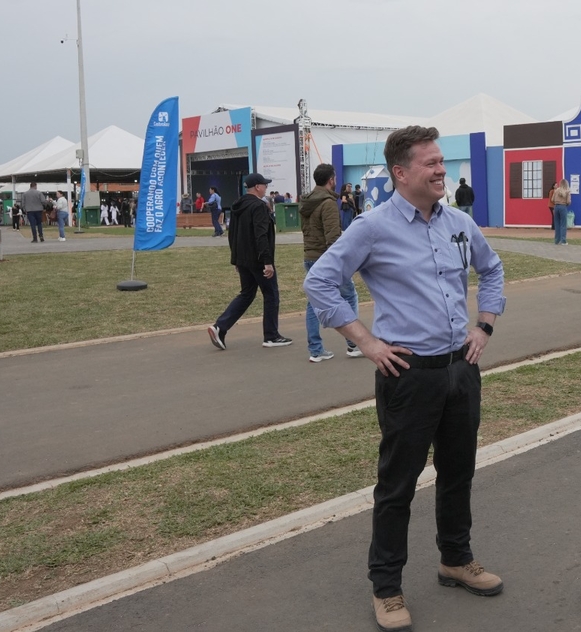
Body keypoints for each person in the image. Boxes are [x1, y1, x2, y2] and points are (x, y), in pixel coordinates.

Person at [304, 126, 506, 632]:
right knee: (398, 486)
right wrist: (366, 342)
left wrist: (484, 324)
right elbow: (320, 281)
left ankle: (455, 560)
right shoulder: (372, 228)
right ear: (401, 172)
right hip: (408, 375)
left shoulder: (458, 222)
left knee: (459, 472)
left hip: (461, 369)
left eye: (442, 162)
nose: (441, 170)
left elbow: (493, 269)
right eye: (431, 163)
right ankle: (387, 588)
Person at [208, 173, 292, 351]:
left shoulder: (237, 206)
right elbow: (260, 235)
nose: (266, 188)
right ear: (257, 187)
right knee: (271, 294)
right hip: (258, 259)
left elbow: (233, 234)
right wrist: (267, 262)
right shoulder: (258, 207)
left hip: (243, 259)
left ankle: (220, 327)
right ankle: (271, 335)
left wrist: (236, 259)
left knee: (247, 294)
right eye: (264, 185)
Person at [299, 163, 363, 361]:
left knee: (313, 303)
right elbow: (333, 239)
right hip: (325, 259)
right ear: (331, 180)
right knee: (349, 296)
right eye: (334, 178)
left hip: (310, 256)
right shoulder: (327, 203)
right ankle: (354, 344)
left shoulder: (306, 202)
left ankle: (316, 350)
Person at [550, 178, 571, 245]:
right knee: (563, 224)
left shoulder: (556, 191)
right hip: (563, 206)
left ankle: (557, 240)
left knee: (557, 224)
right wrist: (567, 204)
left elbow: (552, 199)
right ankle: (563, 241)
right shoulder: (567, 191)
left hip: (556, 207)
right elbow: (568, 201)